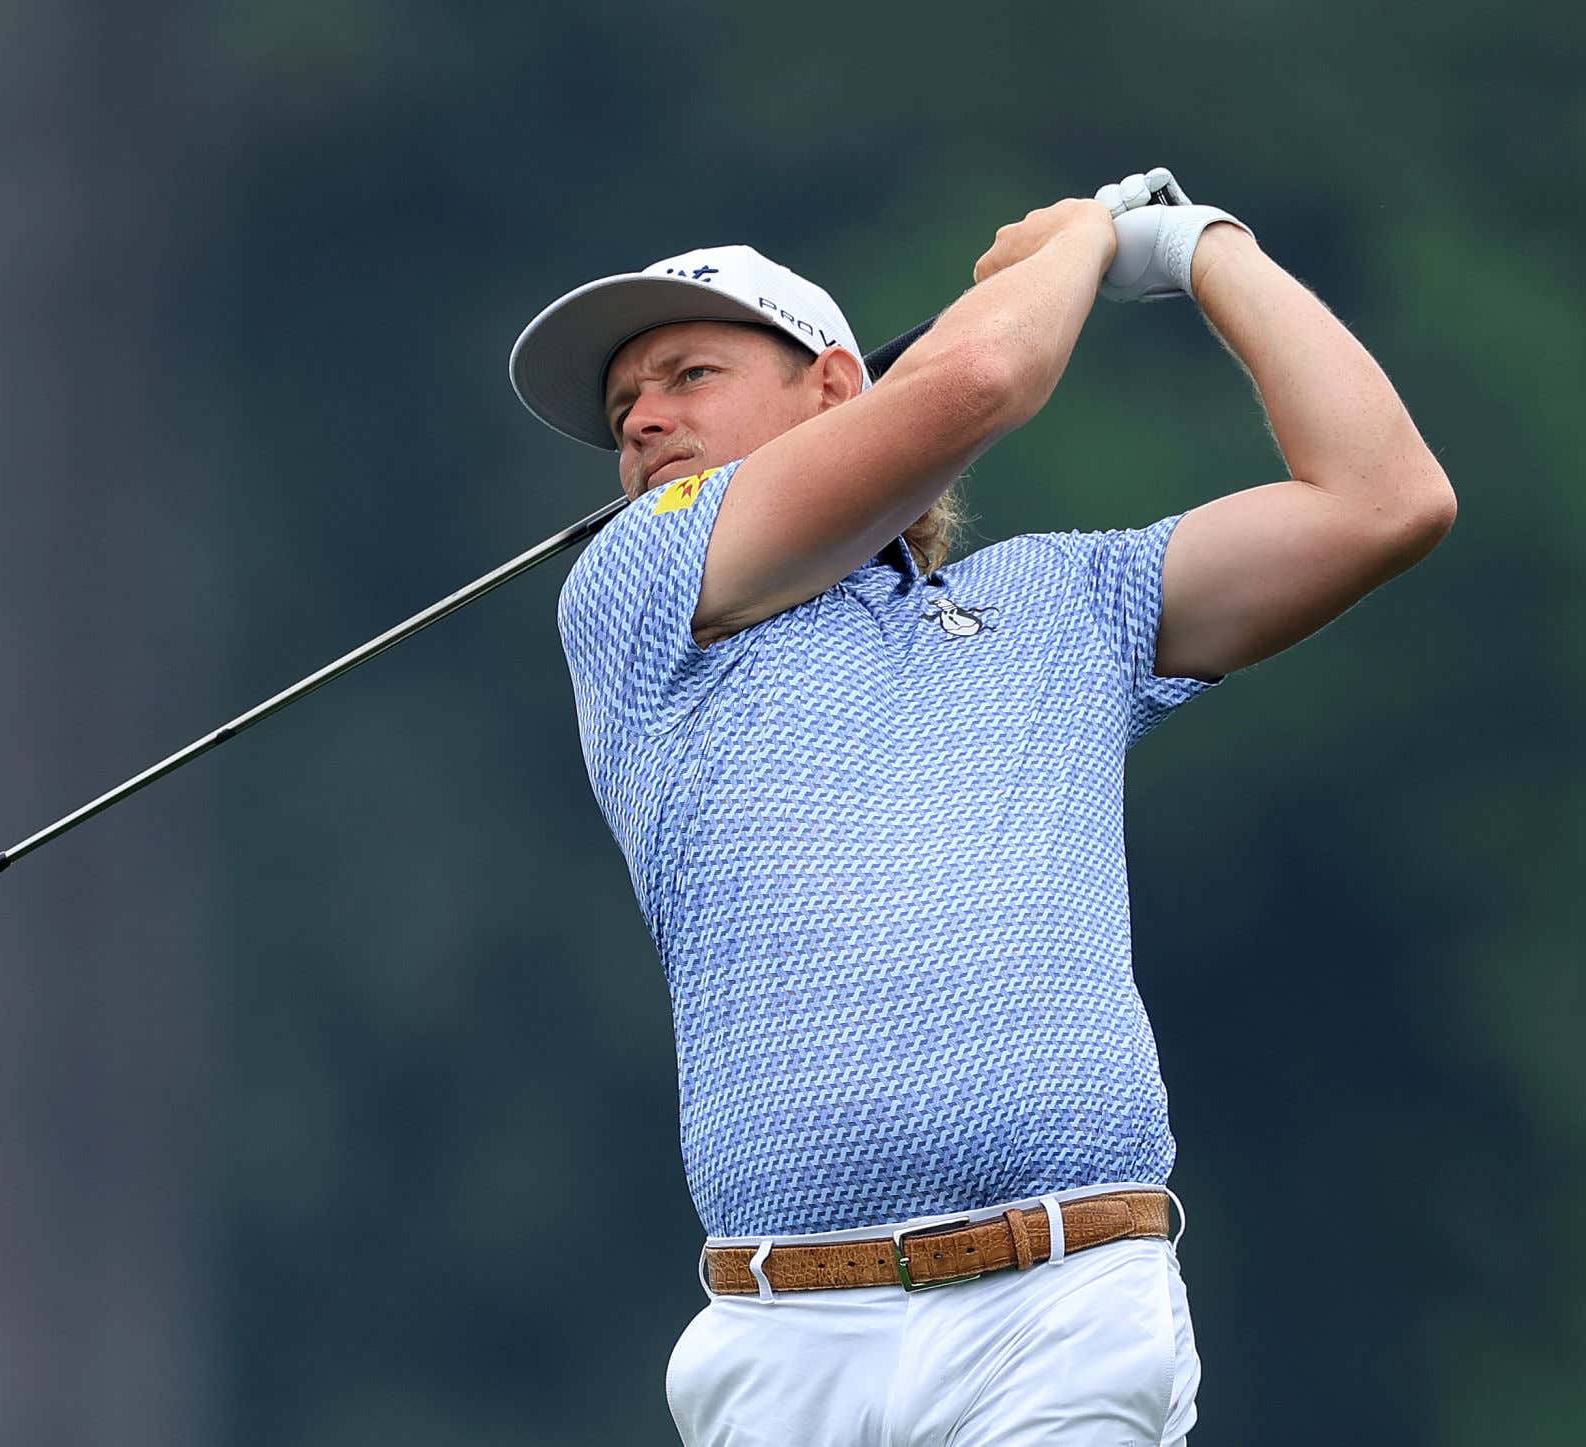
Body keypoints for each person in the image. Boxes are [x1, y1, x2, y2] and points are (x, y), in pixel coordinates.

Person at [505, 169, 1456, 1446]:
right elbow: (977, 381)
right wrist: (1083, 239)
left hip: (1060, 1308)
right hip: (784, 1340)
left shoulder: (1067, 601)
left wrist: (1199, 248)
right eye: (623, 409)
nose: (643, 422)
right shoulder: (636, 586)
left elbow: (1384, 500)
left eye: (688, 375)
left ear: (833, 388)